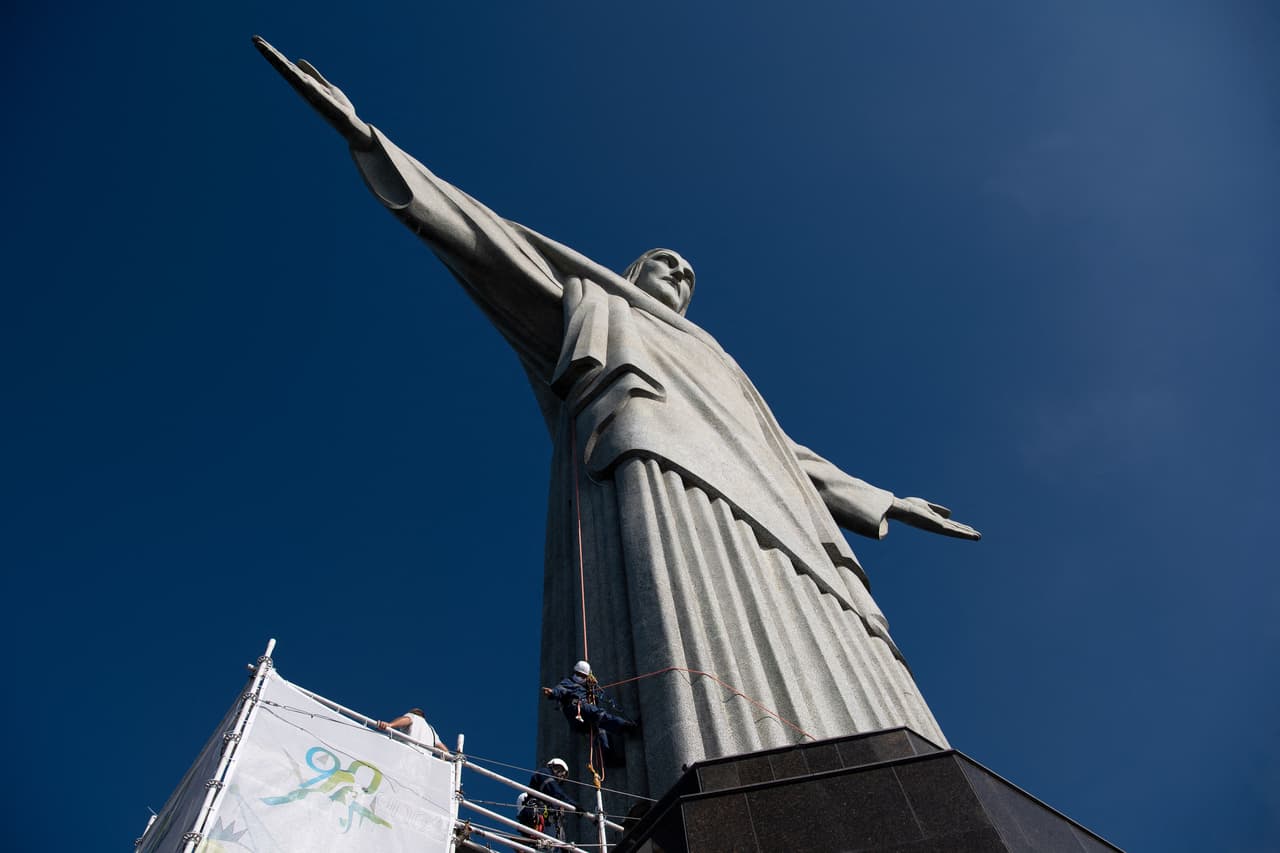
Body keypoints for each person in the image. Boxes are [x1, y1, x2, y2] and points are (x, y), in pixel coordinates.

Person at [256, 37, 981, 803]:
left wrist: (886, 499)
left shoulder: (718, 357)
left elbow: (784, 451)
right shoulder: (597, 302)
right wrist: (369, 140)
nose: (681, 275)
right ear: (635, 271)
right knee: (692, 621)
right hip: (663, 464)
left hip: (784, 508)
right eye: (667, 263)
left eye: (690, 274)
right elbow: (487, 241)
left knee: (844, 644)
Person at [543, 660, 637, 764]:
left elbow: (594, 695)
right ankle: (627, 727)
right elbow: (559, 690)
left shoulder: (587, 686)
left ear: (586, 676)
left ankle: (610, 758)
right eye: (577, 674)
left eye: (582, 675)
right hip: (578, 708)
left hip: (580, 721)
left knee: (600, 730)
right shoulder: (568, 682)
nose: (579, 677)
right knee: (599, 715)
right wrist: (552, 693)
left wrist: (592, 686)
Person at [519, 758, 577, 841]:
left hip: (551, 829)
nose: (561, 775)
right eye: (559, 769)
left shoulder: (556, 799)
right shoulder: (543, 773)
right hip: (540, 821)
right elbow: (554, 790)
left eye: (564, 775)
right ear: (552, 766)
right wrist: (574, 804)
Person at [376, 708, 449, 755]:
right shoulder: (431, 729)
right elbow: (442, 747)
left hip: (409, 754)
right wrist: (450, 757)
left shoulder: (413, 716)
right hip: (425, 763)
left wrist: (390, 725)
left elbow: (407, 720)